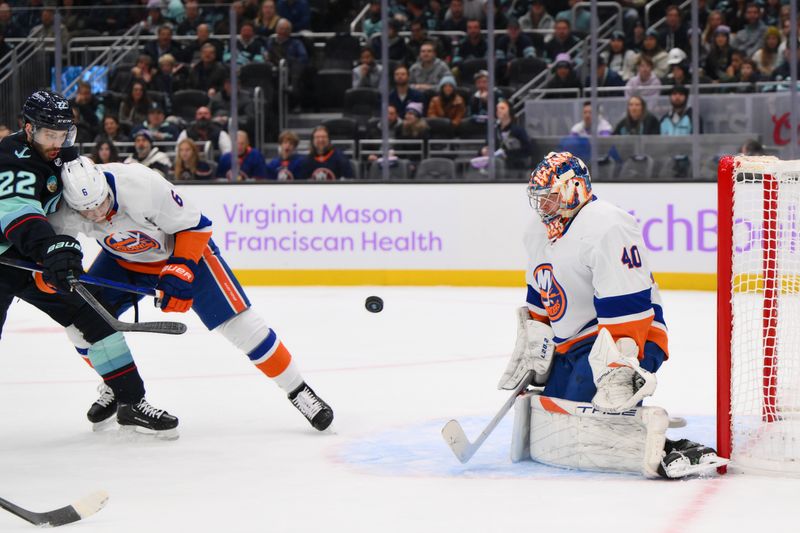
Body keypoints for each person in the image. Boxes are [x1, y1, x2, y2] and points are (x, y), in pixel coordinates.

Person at [50, 156, 334, 432]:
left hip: (182, 252)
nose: (98, 214)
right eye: (88, 212)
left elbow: (196, 226)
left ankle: (298, 390)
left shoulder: (140, 183)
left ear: (106, 187)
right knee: (79, 322)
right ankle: (115, 383)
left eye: (102, 204)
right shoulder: (65, 206)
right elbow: (53, 247)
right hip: (121, 259)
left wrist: (180, 271)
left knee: (242, 326)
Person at [498, 150, 726, 478]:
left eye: (548, 197)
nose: (542, 207)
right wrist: (538, 348)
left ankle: (670, 447)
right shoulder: (537, 232)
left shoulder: (607, 225)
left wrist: (619, 366)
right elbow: (541, 296)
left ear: (572, 189)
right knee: (557, 417)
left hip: (629, 338)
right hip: (574, 345)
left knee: (583, 421)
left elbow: (628, 309)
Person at [0, 90, 177, 436]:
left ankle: (131, 403)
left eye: (63, 133)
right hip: (7, 259)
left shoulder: (60, 152)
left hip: (34, 259)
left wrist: (55, 250)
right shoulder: (12, 156)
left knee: (93, 318)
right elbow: (16, 212)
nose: (58, 141)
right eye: (49, 134)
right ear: (28, 128)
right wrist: (51, 247)